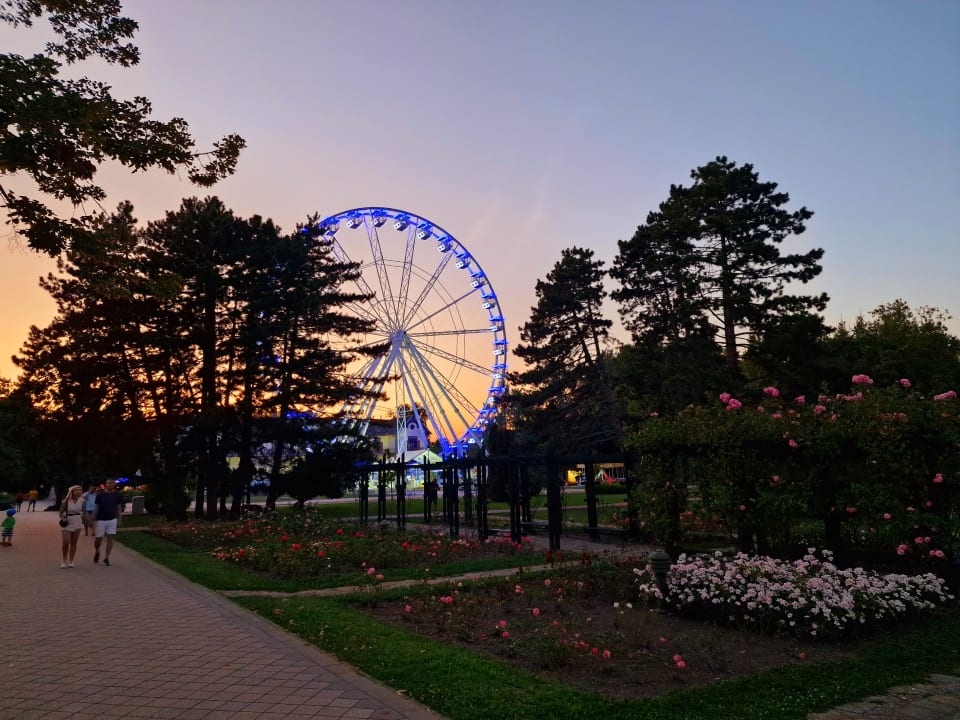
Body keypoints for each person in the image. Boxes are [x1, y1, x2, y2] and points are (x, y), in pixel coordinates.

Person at [93, 479, 121, 566]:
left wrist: (119, 519)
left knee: (110, 538)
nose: (110, 485)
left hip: (112, 519)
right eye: (108, 483)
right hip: (100, 519)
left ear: (114, 485)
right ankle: (97, 551)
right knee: (98, 538)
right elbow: (96, 508)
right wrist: (93, 519)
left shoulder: (117, 495)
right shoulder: (100, 495)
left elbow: (118, 508)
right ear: (106, 484)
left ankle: (106, 558)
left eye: (112, 483)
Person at [59, 485, 84, 568]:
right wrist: (63, 519)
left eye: (80, 490)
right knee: (66, 542)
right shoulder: (66, 501)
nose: (78, 492)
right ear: (72, 492)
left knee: (74, 542)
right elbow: (60, 513)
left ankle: (71, 560)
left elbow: (84, 512)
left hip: (77, 521)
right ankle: (64, 560)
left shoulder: (82, 501)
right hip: (68, 522)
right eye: (76, 490)